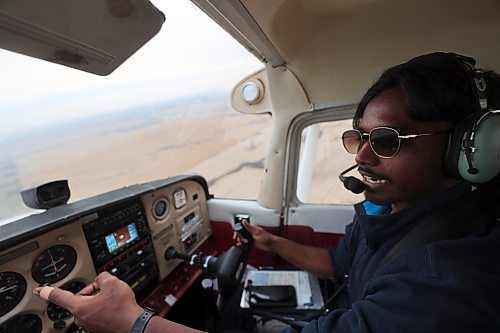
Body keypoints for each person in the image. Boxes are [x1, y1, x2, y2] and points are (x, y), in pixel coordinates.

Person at [33, 52, 500, 333]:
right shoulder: (391, 210)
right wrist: (270, 242)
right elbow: (340, 265)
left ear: (465, 147)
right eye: (359, 137)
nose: (362, 157)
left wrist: (130, 323)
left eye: (389, 141)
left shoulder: (450, 275)